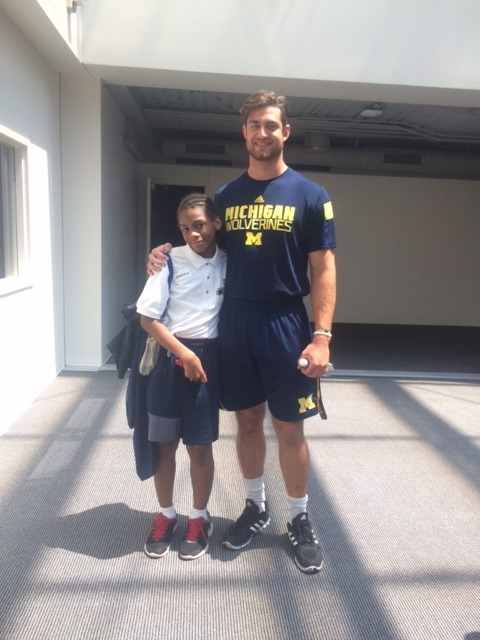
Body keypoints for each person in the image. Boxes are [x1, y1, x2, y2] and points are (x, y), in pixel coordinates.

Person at [147, 90, 337, 574]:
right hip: (235, 324)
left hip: (285, 324)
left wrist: (321, 336)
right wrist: (160, 258)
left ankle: (298, 516)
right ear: (244, 133)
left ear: (285, 132)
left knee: (289, 429)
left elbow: (324, 269)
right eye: (254, 124)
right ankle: (256, 506)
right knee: (247, 422)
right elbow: (201, 246)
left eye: (270, 124)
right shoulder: (226, 198)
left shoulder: (311, 196)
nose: (262, 132)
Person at [137, 193, 226, 561]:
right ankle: (166, 514)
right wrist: (184, 354)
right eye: (185, 228)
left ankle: (199, 518)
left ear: (216, 223)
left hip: (206, 362)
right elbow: (147, 319)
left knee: (200, 445)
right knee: (164, 444)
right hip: (171, 359)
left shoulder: (228, 263)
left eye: (200, 225)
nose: (193, 234)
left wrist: (197, 357)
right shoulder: (168, 261)